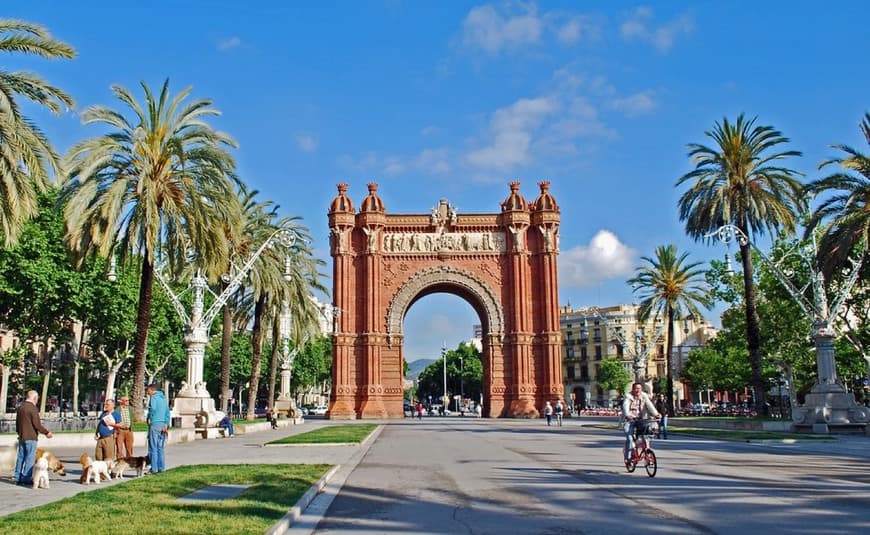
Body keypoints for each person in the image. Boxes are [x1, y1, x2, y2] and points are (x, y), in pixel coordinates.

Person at [14, 390, 53, 485]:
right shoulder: (33, 409)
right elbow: (37, 425)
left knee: (20, 457)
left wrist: (19, 433)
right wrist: (47, 432)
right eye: (37, 399)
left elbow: (17, 424)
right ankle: (26, 478)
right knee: (29, 458)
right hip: (31, 437)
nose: (37, 401)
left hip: (22, 436)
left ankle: (17, 476)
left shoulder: (20, 408)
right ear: (34, 398)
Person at [621, 382, 660, 465]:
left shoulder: (644, 396)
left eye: (639, 388)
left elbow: (650, 406)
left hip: (641, 419)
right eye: (635, 388)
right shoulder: (628, 397)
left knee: (645, 436)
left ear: (641, 389)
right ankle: (628, 459)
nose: (637, 390)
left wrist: (656, 414)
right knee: (630, 439)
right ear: (632, 389)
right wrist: (628, 415)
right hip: (629, 420)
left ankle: (647, 452)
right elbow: (625, 406)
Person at [146, 383, 171, 474]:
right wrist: (166, 424)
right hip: (163, 425)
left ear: (152, 390)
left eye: (148, 390)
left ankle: (154, 468)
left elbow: (152, 409)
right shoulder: (164, 399)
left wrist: (150, 418)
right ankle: (161, 467)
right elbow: (167, 412)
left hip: (155, 423)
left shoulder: (154, 398)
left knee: (153, 447)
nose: (147, 392)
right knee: (160, 447)